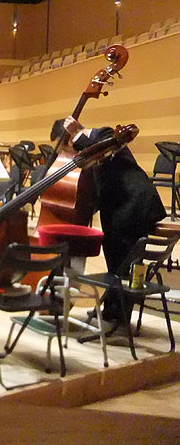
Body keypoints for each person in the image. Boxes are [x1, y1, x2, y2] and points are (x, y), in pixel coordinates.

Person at [57, 116, 167, 326]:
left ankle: (116, 315)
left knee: (123, 263)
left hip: (132, 205)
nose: (70, 152)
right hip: (123, 208)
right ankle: (114, 313)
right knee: (120, 262)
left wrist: (77, 133)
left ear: (70, 137)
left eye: (66, 146)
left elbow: (100, 151)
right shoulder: (94, 148)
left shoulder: (105, 134)